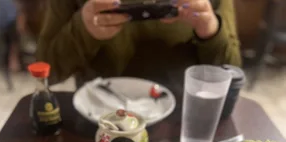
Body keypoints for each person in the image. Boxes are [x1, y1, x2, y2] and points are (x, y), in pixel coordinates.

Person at [37, 0, 241, 86]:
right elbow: (47, 72)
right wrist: (82, 29)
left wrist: (210, 30)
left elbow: (233, 73)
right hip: (98, 122)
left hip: (184, 123)